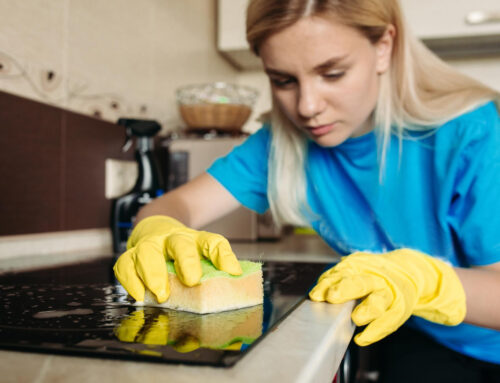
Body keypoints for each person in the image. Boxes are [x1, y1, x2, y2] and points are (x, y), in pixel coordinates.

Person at [113, 0, 500, 381]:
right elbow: (174, 205)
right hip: (424, 334)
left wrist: (423, 281)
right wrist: (159, 231)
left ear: (384, 47)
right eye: (283, 80)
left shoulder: (471, 131)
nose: (307, 106)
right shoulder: (282, 143)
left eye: (332, 74)